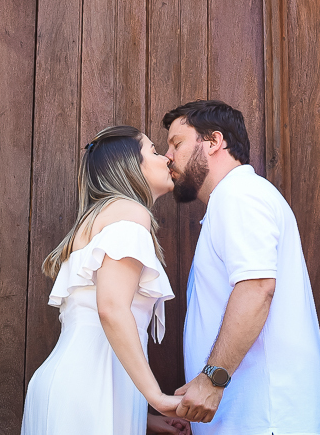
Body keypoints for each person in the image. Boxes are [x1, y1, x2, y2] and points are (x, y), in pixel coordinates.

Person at [163, 100, 320, 435]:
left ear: (214, 141)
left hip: (267, 420)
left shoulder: (239, 195)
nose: (168, 156)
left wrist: (212, 380)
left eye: (177, 143)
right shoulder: (233, 199)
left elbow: (257, 288)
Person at [21, 124, 190, 435]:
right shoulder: (130, 213)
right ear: (129, 165)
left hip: (78, 388)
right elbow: (111, 308)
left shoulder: (101, 218)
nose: (166, 158)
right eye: (154, 151)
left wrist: (144, 418)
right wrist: (157, 398)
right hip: (89, 389)